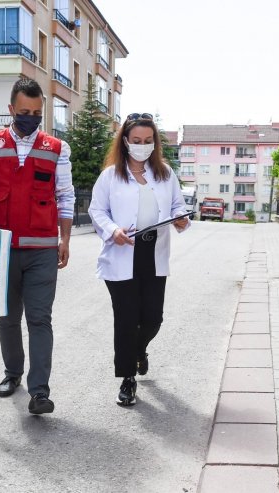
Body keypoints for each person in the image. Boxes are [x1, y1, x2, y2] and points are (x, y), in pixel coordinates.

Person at [0, 78, 75, 415]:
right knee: (8, 318)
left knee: (40, 320)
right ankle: (12, 373)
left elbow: (66, 196)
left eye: (37, 113)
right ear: (11, 109)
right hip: (3, 247)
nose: (30, 118)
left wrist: (65, 238)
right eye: (24, 112)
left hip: (42, 248)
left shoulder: (58, 148)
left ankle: (39, 392)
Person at [88, 112, 190, 406]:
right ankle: (127, 379)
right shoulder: (110, 176)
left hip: (153, 253)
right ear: (125, 142)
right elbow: (97, 211)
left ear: (155, 143)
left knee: (153, 319)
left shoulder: (165, 174)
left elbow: (177, 207)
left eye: (148, 141)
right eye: (136, 141)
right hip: (121, 252)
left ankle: (138, 351)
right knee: (126, 319)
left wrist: (182, 221)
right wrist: (112, 230)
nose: (142, 146)